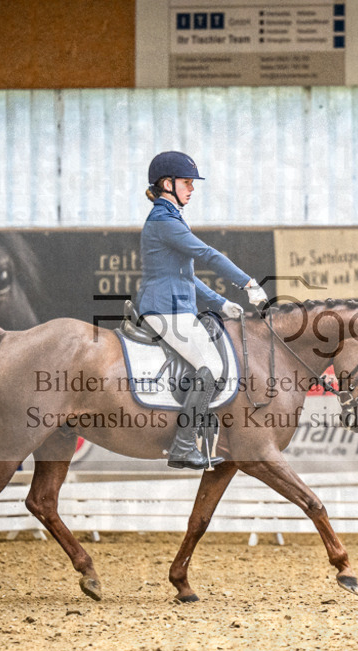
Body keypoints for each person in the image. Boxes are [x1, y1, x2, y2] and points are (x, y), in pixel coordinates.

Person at [137, 151, 268, 470]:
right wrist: (248, 283)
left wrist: (220, 302)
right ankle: (183, 445)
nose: (192, 189)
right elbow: (208, 255)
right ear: (167, 184)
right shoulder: (163, 221)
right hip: (164, 310)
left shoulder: (171, 218)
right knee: (211, 365)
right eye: (186, 183)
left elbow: (187, 276)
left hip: (177, 308)